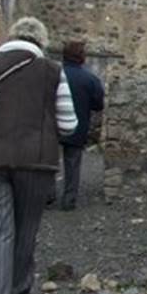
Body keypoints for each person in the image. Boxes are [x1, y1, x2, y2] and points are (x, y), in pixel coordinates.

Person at [0, 17, 77, 294]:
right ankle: (17, 287)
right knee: (26, 228)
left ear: (11, 36)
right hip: (36, 164)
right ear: (41, 43)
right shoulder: (52, 71)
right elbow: (69, 124)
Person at [58, 41, 104, 211]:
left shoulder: (54, 74)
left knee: (50, 162)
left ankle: (47, 195)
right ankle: (69, 199)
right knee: (73, 164)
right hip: (77, 126)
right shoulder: (90, 79)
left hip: (52, 125)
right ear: (82, 57)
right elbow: (98, 105)